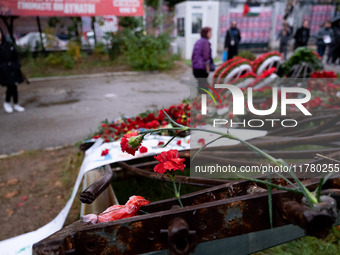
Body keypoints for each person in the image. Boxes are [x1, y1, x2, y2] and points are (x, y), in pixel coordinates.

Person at [0, 29, 25, 113]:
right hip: (4, 71)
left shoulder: (8, 44)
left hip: (13, 69)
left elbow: (16, 55)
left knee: (14, 86)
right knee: (10, 86)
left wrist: (17, 65)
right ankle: (7, 102)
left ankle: (16, 103)